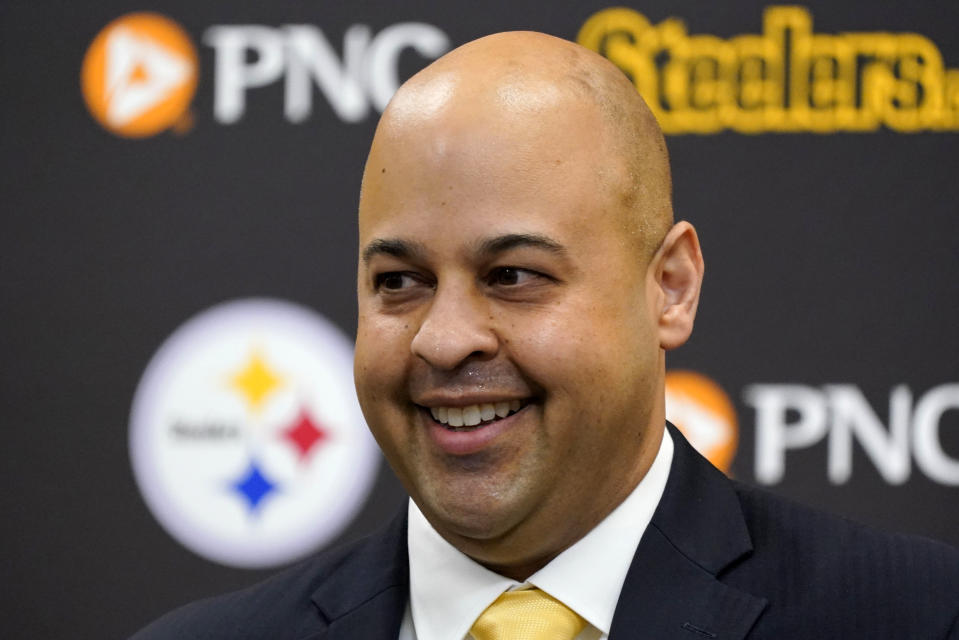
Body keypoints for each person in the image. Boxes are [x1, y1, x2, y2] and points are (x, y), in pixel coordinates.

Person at [132, 31, 959, 640]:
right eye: (399, 283)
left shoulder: (915, 617)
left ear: (669, 287)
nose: (443, 340)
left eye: (513, 276)